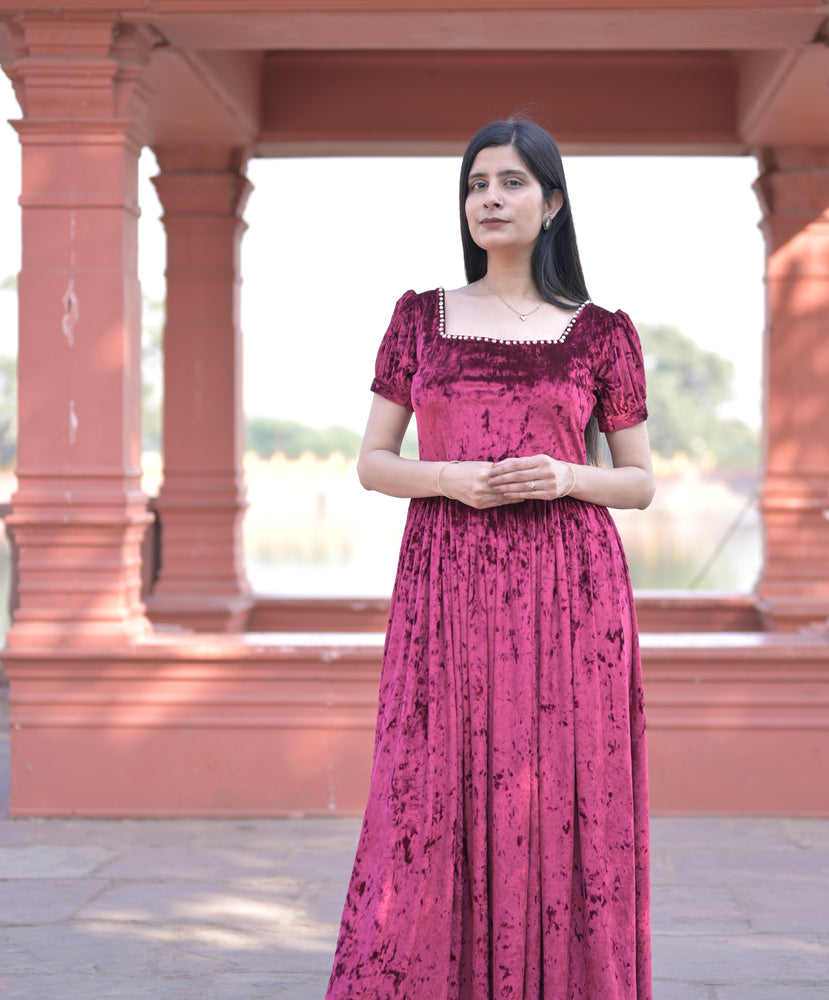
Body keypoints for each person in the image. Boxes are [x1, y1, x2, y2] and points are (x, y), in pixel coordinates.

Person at [325, 118, 654, 1000]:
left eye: (510, 183)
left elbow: (641, 484)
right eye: (476, 185)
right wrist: (452, 479)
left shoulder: (602, 333)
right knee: (430, 787)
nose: (489, 199)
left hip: (570, 590)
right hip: (447, 578)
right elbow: (372, 462)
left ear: (551, 203)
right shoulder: (418, 318)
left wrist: (565, 473)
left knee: (557, 798)